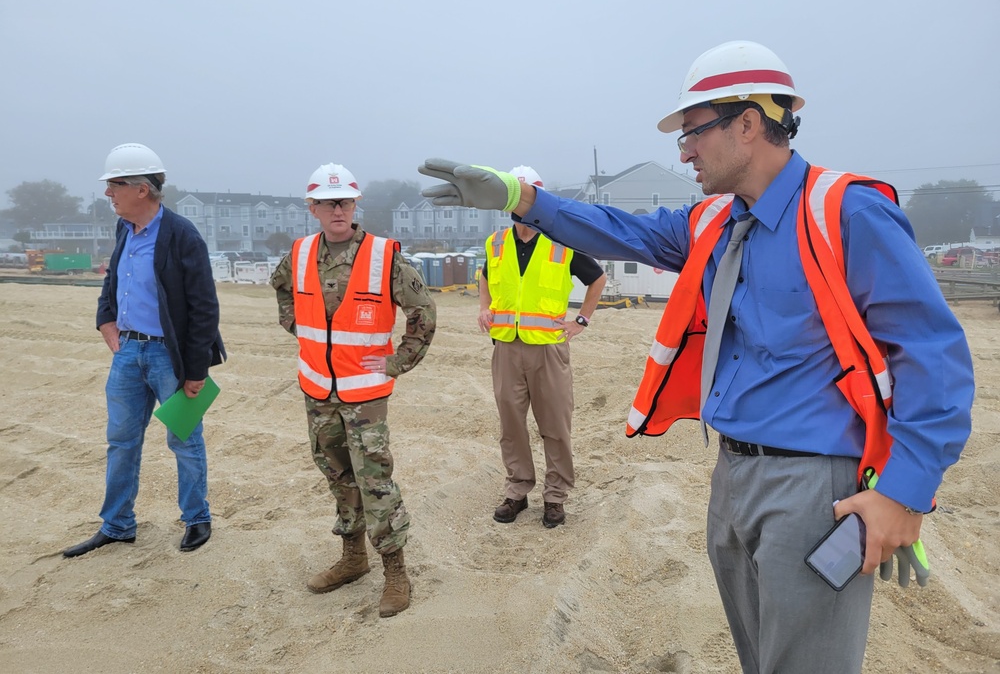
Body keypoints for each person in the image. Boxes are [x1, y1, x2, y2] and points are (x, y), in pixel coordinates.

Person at [418, 41, 974, 674]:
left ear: (748, 122)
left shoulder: (847, 213)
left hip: (817, 488)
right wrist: (521, 197)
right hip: (732, 476)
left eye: (692, 132)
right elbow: (616, 230)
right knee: (760, 658)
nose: (683, 151)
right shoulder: (714, 221)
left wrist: (904, 493)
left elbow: (936, 357)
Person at [270, 163, 436, 618]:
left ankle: (396, 572)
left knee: (374, 480)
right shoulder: (300, 253)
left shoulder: (383, 256)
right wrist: (299, 330)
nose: (337, 209)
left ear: (354, 204)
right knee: (337, 476)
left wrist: (400, 360)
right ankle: (352, 559)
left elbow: (423, 311)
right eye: (328, 202)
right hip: (317, 389)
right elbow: (281, 291)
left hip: (365, 394)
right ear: (313, 208)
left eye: (344, 201)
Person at [63, 143, 225, 558]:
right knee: (120, 440)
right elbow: (113, 279)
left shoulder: (181, 234)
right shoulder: (124, 229)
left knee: (184, 438)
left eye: (114, 185)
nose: (107, 193)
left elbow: (204, 307)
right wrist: (106, 318)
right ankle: (117, 525)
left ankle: (196, 519)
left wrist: (196, 370)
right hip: (128, 353)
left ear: (142, 189)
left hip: (168, 358)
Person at [478, 166, 606, 528]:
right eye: (516, 200)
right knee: (511, 425)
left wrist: (581, 320)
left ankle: (555, 497)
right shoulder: (495, 243)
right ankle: (518, 490)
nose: (522, 207)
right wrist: (484, 308)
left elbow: (597, 279)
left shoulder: (562, 242)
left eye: (528, 196)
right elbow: (485, 276)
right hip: (505, 348)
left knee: (555, 425)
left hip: (548, 349)